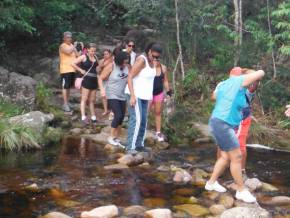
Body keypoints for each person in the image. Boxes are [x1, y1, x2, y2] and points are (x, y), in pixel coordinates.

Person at [205, 67, 265, 203]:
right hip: (223, 124)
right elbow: (260, 73)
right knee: (237, 156)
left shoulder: (231, 87)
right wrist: (256, 72)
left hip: (221, 123)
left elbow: (215, 96)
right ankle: (241, 190)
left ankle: (211, 183)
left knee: (226, 156)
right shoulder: (234, 83)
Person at [214, 68, 260, 179]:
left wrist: (251, 74)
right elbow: (214, 97)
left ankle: (242, 171)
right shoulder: (223, 85)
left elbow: (255, 82)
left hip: (241, 120)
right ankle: (220, 168)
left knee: (240, 145)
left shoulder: (247, 88)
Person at [125, 42, 162, 153]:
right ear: (149, 51)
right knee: (136, 120)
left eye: (158, 57)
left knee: (144, 121)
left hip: (145, 97)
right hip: (135, 95)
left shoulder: (154, 62)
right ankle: (130, 147)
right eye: (153, 55)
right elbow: (130, 76)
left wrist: (155, 64)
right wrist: (132, 96)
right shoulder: (142, 60)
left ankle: (139, 144)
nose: (155, 58)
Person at [98, 51, 129, 147]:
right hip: (111, 94)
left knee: (122, 117)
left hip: (122, 95)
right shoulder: (111, 66)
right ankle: (111, 137)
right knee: (118, 115)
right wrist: (102, 90)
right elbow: (100, 78)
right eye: (124, 62)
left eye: (126, 62)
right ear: (119, 61)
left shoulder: (127, 67)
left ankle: (116, 137)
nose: (125, 64)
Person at [71, 43, 99, 125]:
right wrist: (80, 70)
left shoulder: (95, 57)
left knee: (92, 100)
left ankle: (93, 117)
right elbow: (72, 63)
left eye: (94, 51)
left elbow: (97, 67)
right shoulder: (83, 57)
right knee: (84, 98)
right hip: (86, 79)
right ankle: (83, 117)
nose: (93, 52)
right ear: (87, 49)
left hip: (94, 80)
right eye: (91, 50)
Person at [151, 60, 172, 142]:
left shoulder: (163, 68)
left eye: (157, 58)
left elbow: (165, 80)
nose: (155, 60)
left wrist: (168, 91)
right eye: (154, 58)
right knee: (145, 112)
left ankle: (158, 132)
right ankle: (142, 130)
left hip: (159, 93)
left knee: (158, 112)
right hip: (148, 93)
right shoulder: (148, 67)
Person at [59, 31, 78, 112]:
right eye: (67, 37)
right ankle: (65, 104)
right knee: (65, 86)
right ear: (64, 38)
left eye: (70, 37)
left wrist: (79, 48)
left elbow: (78, 55)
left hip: (72, 69)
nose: (69, 39)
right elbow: (68, 51)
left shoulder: (72, 46)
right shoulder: (62, 46)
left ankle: (67, 102)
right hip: (65, 70)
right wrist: (74, 46)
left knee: (69, 87)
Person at [97, 49, 113, 116]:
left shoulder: (112, 62)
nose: (105, 55)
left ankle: (112, 110)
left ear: (110, 54)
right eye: (104, 54)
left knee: (111, 96)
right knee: (103, 96)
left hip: (110, 80)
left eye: (107, 54)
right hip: (103, 80)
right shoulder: (101, 61)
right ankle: (105, 110)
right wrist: (100, 66)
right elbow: (97, 70)